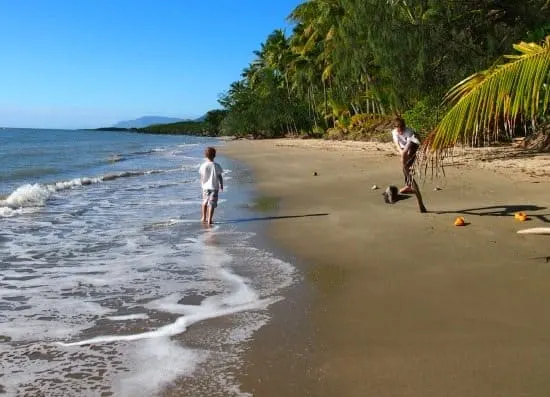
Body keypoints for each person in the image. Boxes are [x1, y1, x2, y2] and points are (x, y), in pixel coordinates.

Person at [391, 117, 420, 194]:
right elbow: (397, 144)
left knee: (406, 166)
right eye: (398, 130)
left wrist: (404, 157)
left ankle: (408, 186)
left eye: (402, 130)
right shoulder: (394, 132)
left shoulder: (409, 132)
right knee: (405, 167)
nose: (400, 132)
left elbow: (408, 148)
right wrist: (401, 153)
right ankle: (409, 185)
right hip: (403, 147)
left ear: (404, 127)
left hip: (413, 145)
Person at [199, 147, 223, 224]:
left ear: (205, 156)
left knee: (204, 202)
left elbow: (202, 177)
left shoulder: (203, 165)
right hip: (214, 187)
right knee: (212, 203)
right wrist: (221, 185)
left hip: (205, 187)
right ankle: (209, 219)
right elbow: (220, 176)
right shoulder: (216, 165)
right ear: (214, 155)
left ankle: (203, 217)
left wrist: (202, 184)